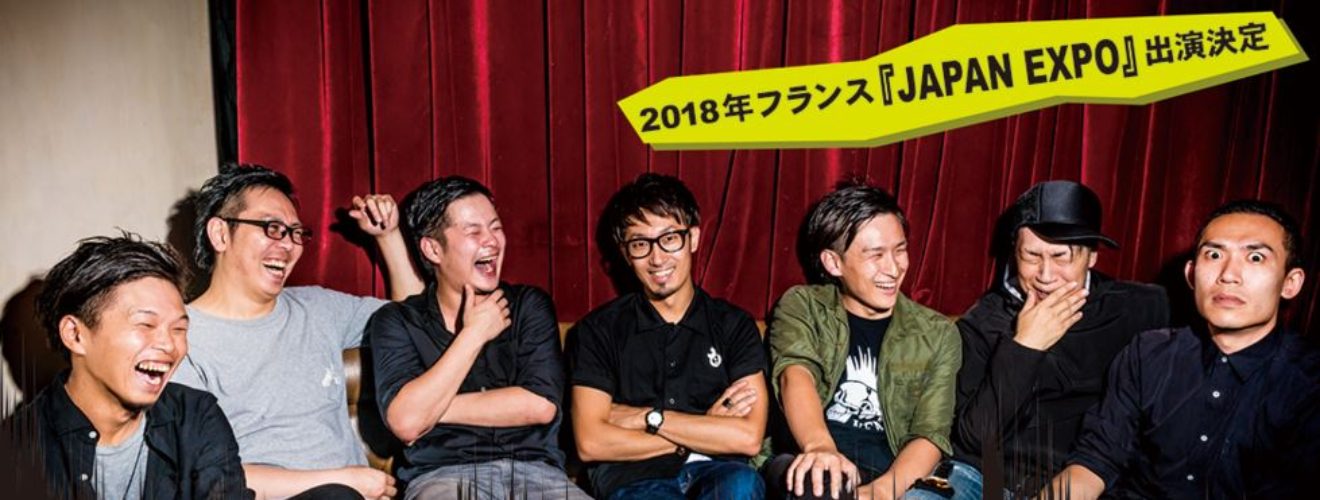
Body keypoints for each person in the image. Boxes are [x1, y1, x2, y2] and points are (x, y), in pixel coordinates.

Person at [172, 164, 423, 499]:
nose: (289, 245)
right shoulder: (181, 339)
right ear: (220, 234)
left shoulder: (319, 308)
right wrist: (344, 481)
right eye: (272, 228)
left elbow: (413, 322)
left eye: (295, 233)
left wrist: (388, 237)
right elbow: (206, 475)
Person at [1046, 200, 1320, 498]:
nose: (1228, 275)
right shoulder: (1147, 353)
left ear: (1290, 283)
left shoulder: (1308, 382)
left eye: (1255, 257)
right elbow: (1095, 460)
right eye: (1214, 255)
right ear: (1191, 274)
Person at [915, 181, 1169, 498]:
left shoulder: (1141, 308)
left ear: (1092, 256)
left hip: (1085, 483)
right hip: (981, 477)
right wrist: (1025, 347)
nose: (1046, 276)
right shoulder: (983, 321)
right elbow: (975, 439)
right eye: (1032, 256)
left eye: (1061, 256)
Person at [366, 176, 586, 499]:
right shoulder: (397, 321)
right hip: (442, 477)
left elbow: (540, 405)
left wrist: (429, 410)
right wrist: (474, 334)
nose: (492, 241)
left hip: (537, 475)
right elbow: (406, 423)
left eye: (496, 228)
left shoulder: (528, 305)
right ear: (433, 249)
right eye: (474, 232)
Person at [570, 173, 768, 499]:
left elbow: (747, 438)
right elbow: (590, 442)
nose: (657, 258)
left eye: (669, 238)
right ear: (625, 253)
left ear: (693, 238)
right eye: (640, 244)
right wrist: (704, 427)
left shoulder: (734, 325)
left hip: (720, 472)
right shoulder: (598, 330)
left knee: (741, 485)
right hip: (633, 479)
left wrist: (648, 418)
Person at [9, 233, 250, 498]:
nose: (170, 345)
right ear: (75, 335)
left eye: (179, 329)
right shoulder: (18, 451)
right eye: (146, 324)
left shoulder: (196, 417)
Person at [763, 182, 961, 500]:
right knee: (819, 482)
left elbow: (930, 433)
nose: (894, 268)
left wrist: (881, 491)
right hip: (807, 460)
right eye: (876, 255)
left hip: (890, 475)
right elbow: (795, 374)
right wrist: (820, 447)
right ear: (833, 263)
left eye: (900, 250)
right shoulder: (804, 306)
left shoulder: (937, 334)